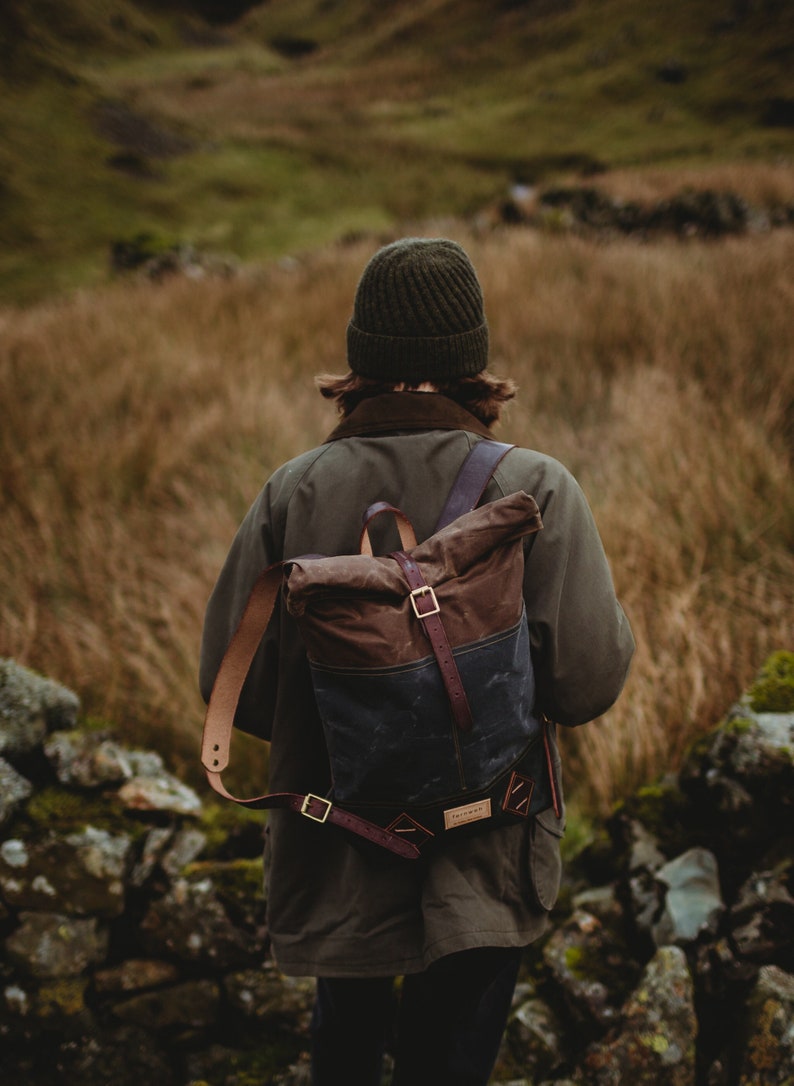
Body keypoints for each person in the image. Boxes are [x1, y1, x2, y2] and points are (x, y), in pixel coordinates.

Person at [199, 237, 635, 1085]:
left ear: (361, 358)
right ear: (473, 361)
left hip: (337, 851)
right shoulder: (538, 489)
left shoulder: (293, 491)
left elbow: (236, 692)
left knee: (346, 1052)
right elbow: (586, 684)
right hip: (488, 852)